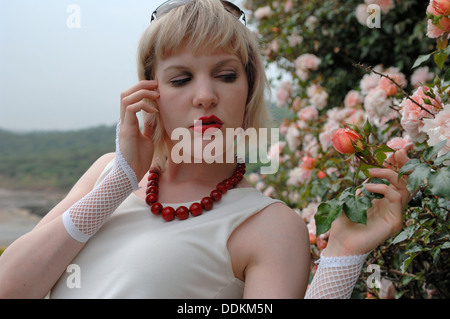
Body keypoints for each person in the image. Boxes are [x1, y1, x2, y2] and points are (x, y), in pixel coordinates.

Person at [0, 0, 411, 299]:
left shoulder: (269, 224)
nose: (205, 96)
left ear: (248, 89)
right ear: (150, 93)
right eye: (180, 79)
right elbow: (11, 287)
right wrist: (118, 182)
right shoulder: (107, 173)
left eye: (226, 75)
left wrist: (342, 256)